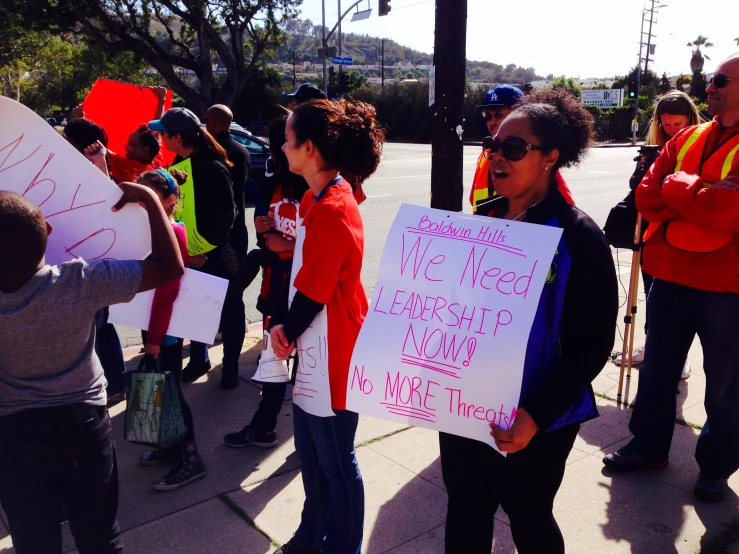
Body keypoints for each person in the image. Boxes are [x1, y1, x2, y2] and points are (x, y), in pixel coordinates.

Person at [443, 88, 618, 554]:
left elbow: (592, 342)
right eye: (493, 145)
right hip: (467, 408)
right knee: (464, 510)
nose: (498, 156)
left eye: (514, 148)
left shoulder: (579, 236)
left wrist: (535, 416)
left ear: (549, 158)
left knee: (529, 516)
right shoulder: (481, 222)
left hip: (537, 417)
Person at [0, 183, 184, 553]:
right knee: (99, 535)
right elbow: (170, 266)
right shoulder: (80, 281)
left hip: (15, 434)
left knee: (33, 542)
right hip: (82, 425)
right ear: (48, 232)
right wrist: (149, 199)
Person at [603, 53, 739, 503]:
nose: (710, 86)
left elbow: (728, 209)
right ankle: (648, 448)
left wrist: (680, 190)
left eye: (721, 79)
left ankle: (716, 469)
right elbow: (647, 195)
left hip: (727, 288)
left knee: (725, 385)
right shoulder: (690, 137)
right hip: (670, 277)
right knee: (657, 370)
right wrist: (701, 197)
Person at [268, 99, 384, 554]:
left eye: (288, 137)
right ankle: (310, 534)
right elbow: (298, 273)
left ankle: (342, 545)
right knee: (313, 459)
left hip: (335, 355)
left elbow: (314, 293)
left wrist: (284, 331)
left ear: (310, 148)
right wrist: (279, 321)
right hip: (314, 351)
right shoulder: (314, 198)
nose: (282, 145)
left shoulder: (336, 206)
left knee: (336, 462)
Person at [222, 116, 308, 436]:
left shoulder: (318, 194)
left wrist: (286, 243)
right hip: (274, 287)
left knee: (301, 366)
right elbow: (270, 231)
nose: (280, 151)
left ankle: (295, 428)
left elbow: (326, 252)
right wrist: (263, 232)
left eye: (286, 143)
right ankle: (264, 425)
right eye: (279, 144)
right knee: (273, 359)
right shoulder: (279, 185)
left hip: (301, 292)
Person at [129, 167, 208, 491]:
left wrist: (157, 339)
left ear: (170, 200)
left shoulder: (172, 232)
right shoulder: (150, 229)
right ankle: (171, 447)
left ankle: (191, 461)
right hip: (155, 325)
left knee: (172, 392)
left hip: (167, 329)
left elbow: (167, 293)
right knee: (162, 390)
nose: (144, 204)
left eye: (150, 198)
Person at [614, 90, 703, 374]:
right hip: (652, 237)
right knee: (654, 297)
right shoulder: (654, 149)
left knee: (687, 305)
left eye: (678, 124)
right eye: (667, 125)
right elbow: (637, 189)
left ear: (690, 119)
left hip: (688, 239)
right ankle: (652, 346)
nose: (673, 130)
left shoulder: (704, 146)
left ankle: (681, 358)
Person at [148, 107, 236, 382]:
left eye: (163, 133)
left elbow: (227, 216)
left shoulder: (211, 167)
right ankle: (199, 360)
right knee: (192, 314)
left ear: (176, 137)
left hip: (211, 258)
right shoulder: (180, 162)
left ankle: (221, 367)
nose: (160, 137)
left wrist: (205, 255)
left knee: (217, 313)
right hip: (191, 255)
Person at [63, 120, 128, 406]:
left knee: (99, 324)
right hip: (71, 261)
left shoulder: (97, 170)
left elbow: (112, 202)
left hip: (91, 262)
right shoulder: (68, 167)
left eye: (67, 139)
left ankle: (115, 383)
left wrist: (99, 164)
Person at [72, 86, 169, 183]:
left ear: (145, 149)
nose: (126, 147)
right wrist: (161, 101)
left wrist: (80, 120)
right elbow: (156, 132)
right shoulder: (157, 162)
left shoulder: (128, 166)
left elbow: (97, 145)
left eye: (131, 144)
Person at [205, 104, 251, 260]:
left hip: (212, 231)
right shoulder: (242, 151)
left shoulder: (207, 151)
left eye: (206, 120)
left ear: (212, 122)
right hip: (238, 227)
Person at [469, 85, 523, 212]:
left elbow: (565, 215)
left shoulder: (533, 155)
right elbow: (474, 200)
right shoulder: (485, 155)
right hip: (485, 230)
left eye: (498, 115)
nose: (491, 122)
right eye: (488, 116)